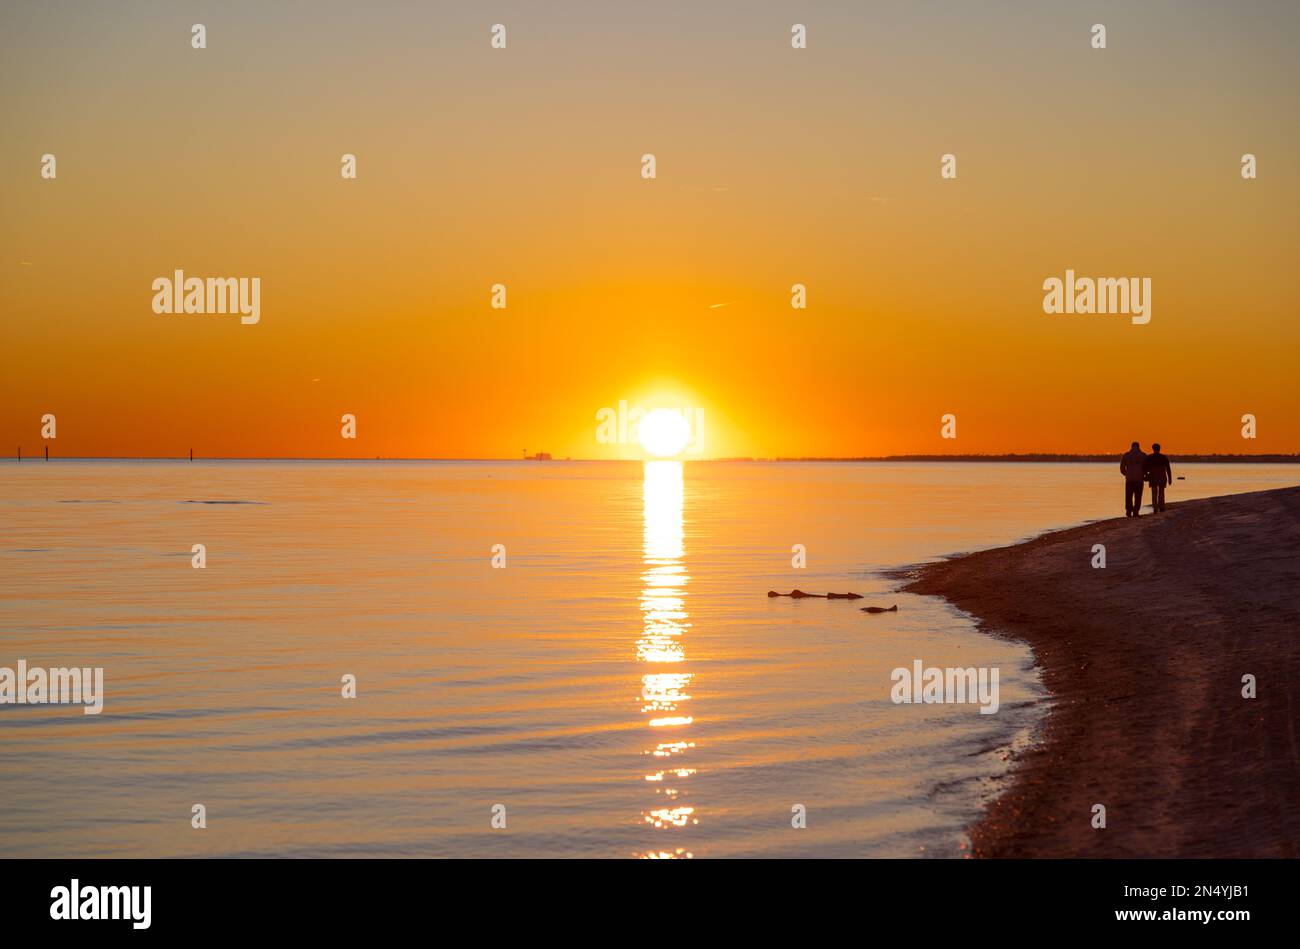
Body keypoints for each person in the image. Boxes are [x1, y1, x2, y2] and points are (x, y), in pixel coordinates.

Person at [1119, 441, 1147, 517]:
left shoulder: (1126, 455)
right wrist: (1143, 474)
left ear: (1131, 446)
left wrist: (1127, 474)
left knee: (1128, 496)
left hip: (1129, 480)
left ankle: (1128, 511)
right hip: (1139, 479)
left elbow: (1122, 468)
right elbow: (1147, 467)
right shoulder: (1143, 455)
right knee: (1138, 496)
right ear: (1139, 446)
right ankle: (1136, 511)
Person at [1145, 442, 1173, 513]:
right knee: (1161, 493)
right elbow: (1168, 469)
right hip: (1162, 476)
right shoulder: (1163, 457)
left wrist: (1145, 476)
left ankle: (1155, 508)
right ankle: (1161, 507)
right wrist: (1170, 478)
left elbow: (1145, 468)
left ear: (1153, 449)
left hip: (1153, 477)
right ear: (1159, 449)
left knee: (1154, 493)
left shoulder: (1149, 457)